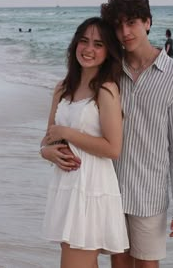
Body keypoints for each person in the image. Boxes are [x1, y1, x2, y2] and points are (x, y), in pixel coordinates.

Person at [100, 0, 173, 268]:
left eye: (132, 23)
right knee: (119, 264)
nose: (125, 32)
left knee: (147, 265)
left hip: (149, 194)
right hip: (110, 187)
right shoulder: (111, 69)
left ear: (147, 23)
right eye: (118, 26)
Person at [40, 17, 129, 268]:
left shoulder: (106, 90)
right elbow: (48, 136)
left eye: (98, 44)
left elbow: (113, 148)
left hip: (91, 190)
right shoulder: (62, 88)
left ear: (108, 51)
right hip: (66, 188)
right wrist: (46, 152)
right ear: (75, 44)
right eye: (84, 41)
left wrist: (67, 132)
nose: (89, 49)